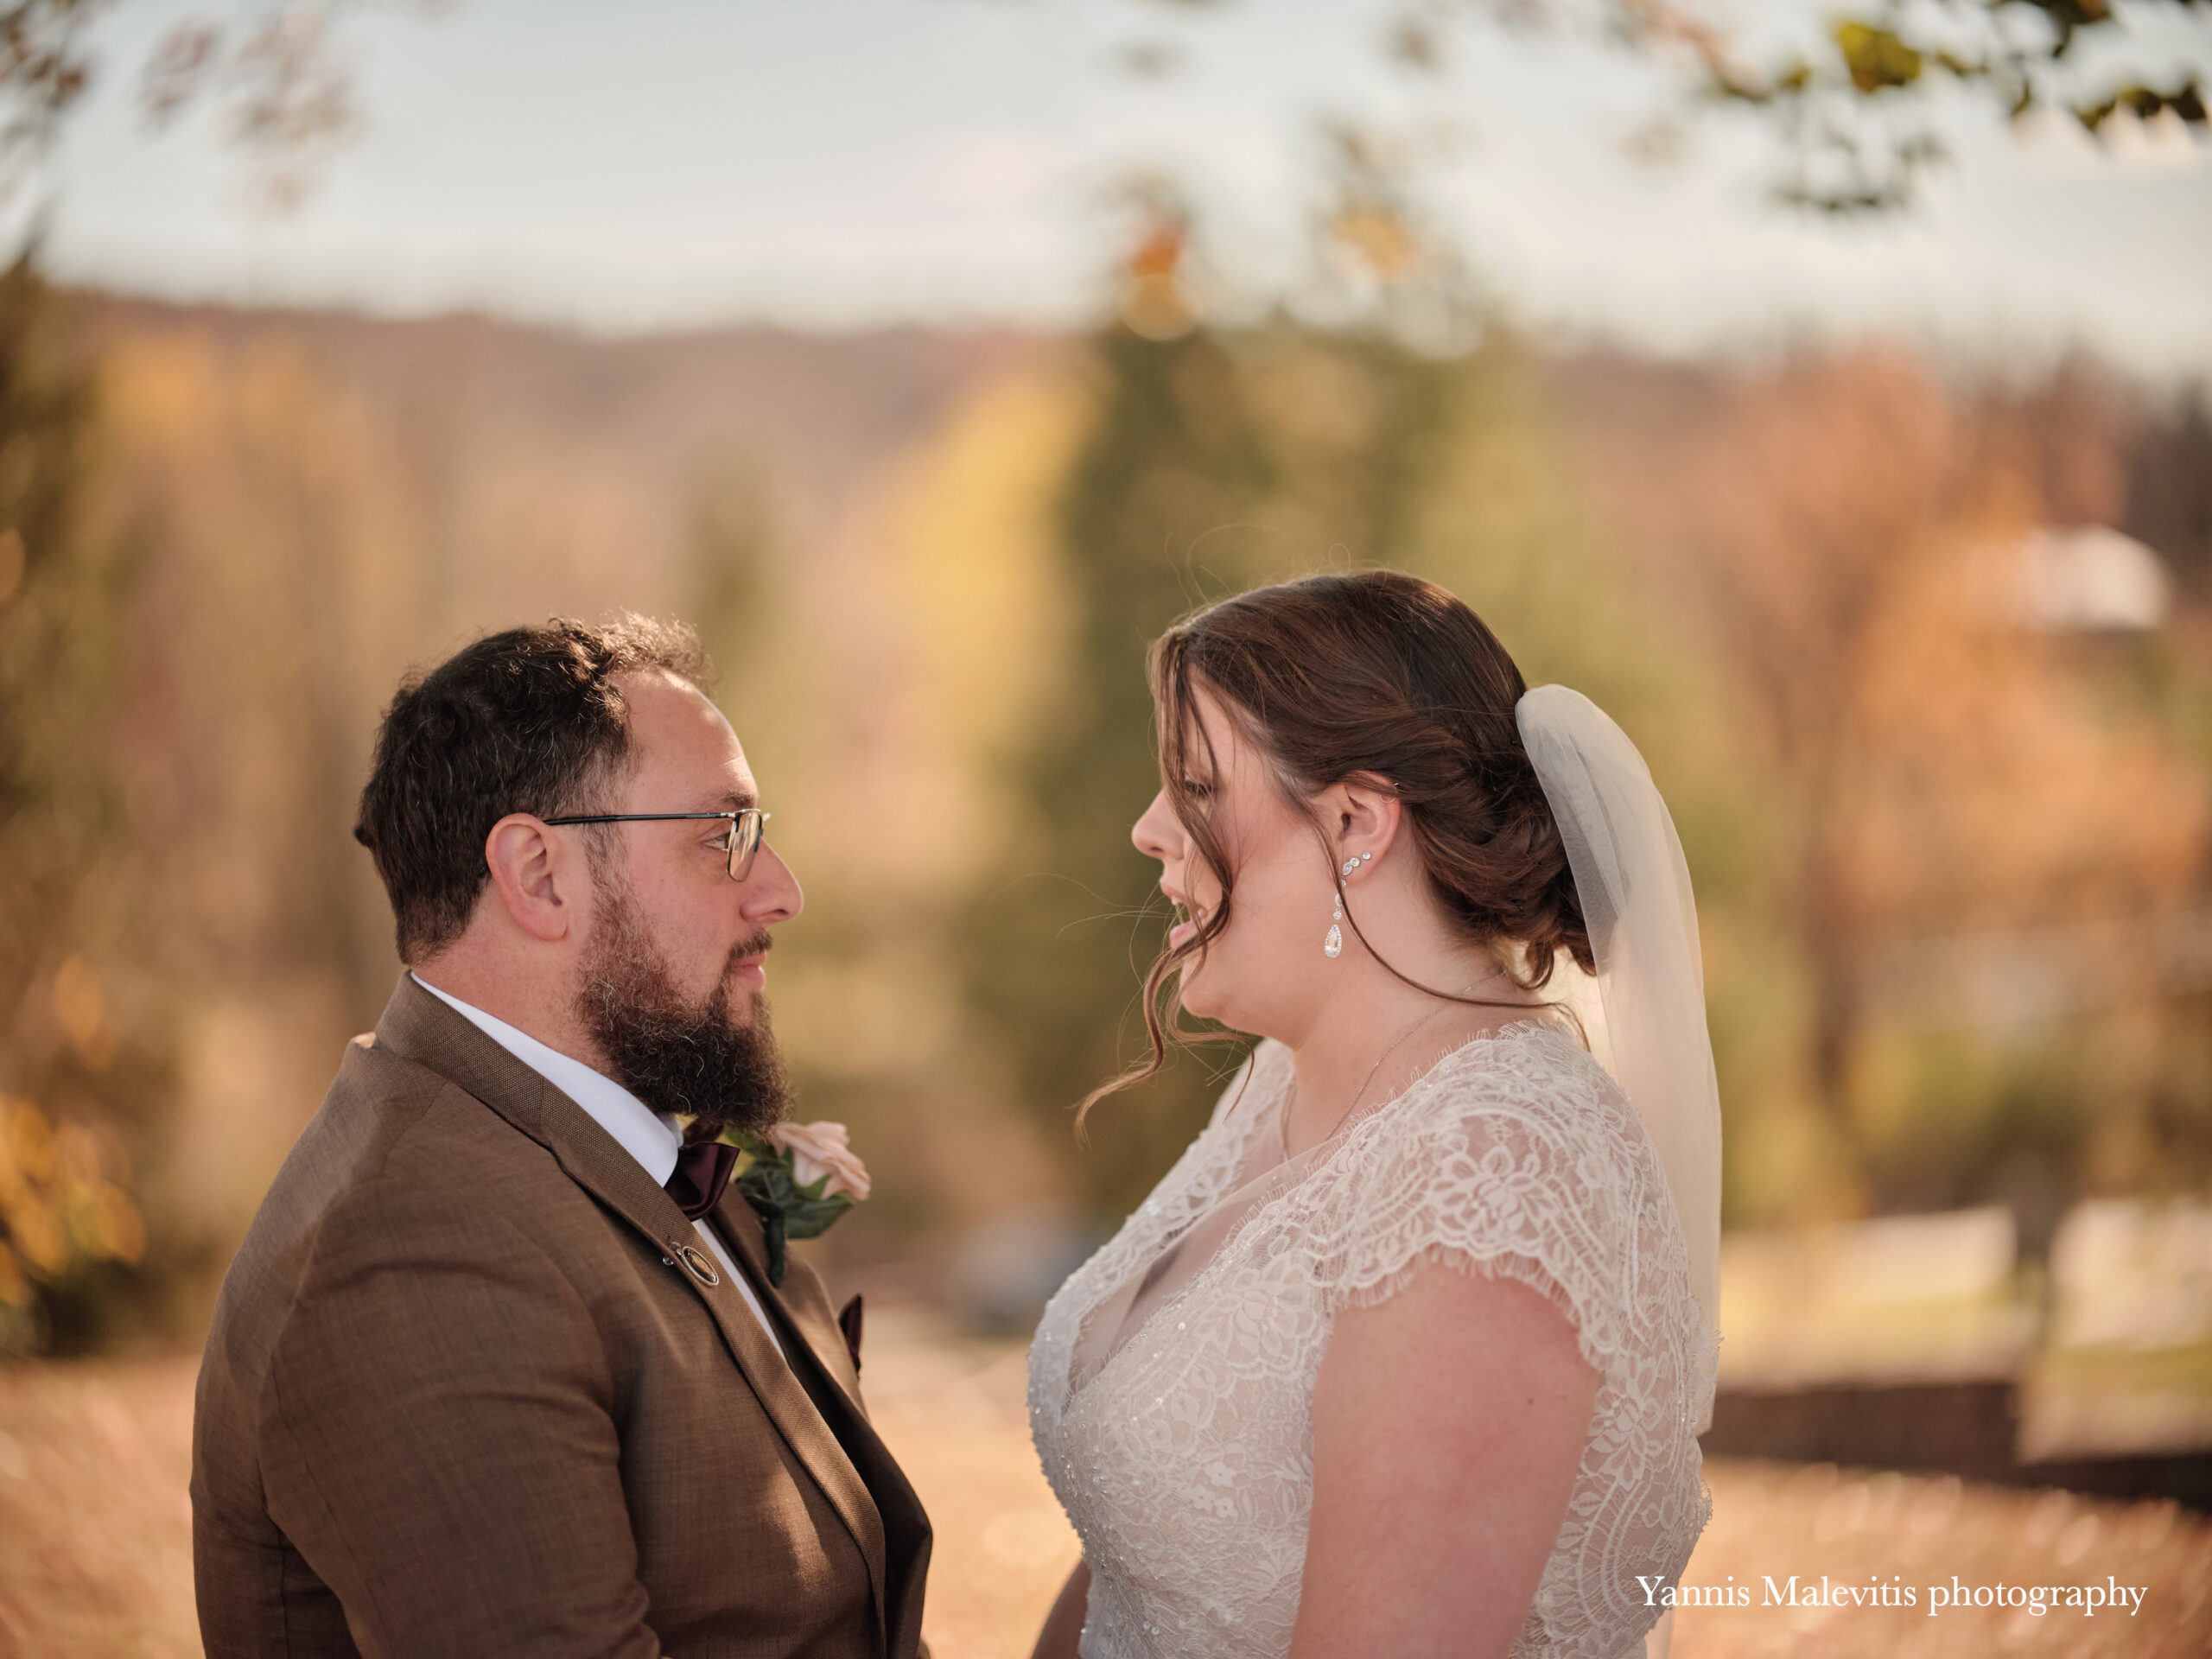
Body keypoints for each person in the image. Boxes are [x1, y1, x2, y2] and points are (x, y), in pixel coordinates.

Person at [192, 616, 931, 1659]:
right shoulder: (416, 1249)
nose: (781, 891)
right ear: (538, 875)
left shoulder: (593, 1145)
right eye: (725, 835)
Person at [1027, 571, 1720, 1659]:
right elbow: (1151, 1538)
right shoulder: (1280, 1085)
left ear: (1355, 821)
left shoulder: (1497, 1168)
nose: (1149, 829)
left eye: (1197, 787)